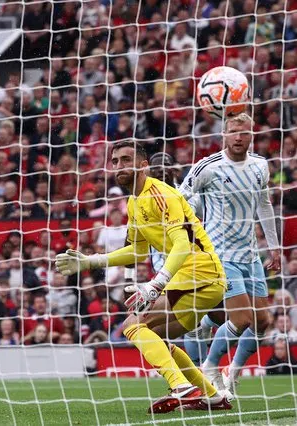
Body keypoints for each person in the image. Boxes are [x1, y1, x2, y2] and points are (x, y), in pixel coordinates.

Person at [56, 141, 229, 413]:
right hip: (193, 278)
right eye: (115, 161)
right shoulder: (134, 201)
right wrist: (91, 261)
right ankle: (212, 396)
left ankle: (182, 387)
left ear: (143, 165)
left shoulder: (161, 194)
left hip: (201, 272)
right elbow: (137, 251)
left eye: (126, 160)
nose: (119, 166)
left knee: (132, 324)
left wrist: (155, 284)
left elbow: (182, 245)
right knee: (155, 337)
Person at [180, 114, 281, 399]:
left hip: (250, 254)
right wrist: (189, 237)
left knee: (262, 323)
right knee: (241, 319)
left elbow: (264, 204)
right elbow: (182, 199)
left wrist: (273, 247)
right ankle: (210, 367)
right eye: (234, 132)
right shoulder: (207, 167)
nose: (239, 136)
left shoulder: (260, 166)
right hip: (220, 254)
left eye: (244, 132)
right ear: (224, 134)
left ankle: (232, 371)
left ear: (252, 134)